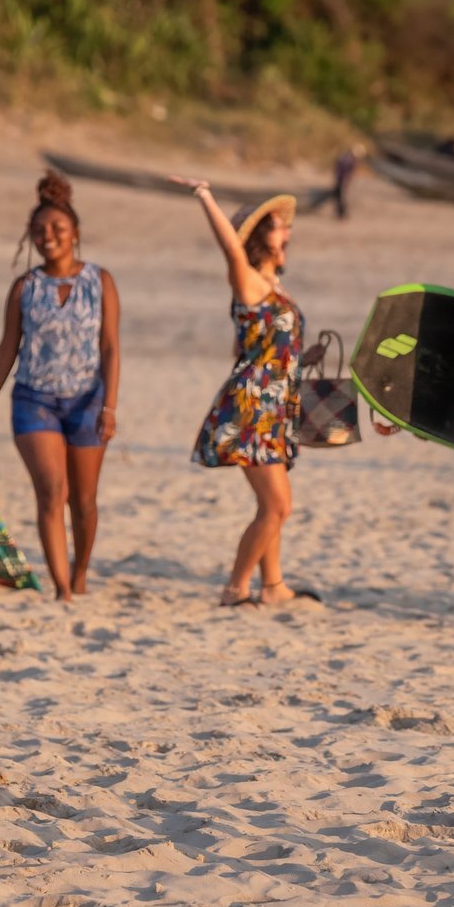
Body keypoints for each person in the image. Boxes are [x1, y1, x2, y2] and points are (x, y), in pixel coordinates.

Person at [0, 171, 120, 601]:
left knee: (83, 502)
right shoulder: (24, 287)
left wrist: (110, 406)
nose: (48, 236)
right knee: (52, 490)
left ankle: (80, 572)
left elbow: (110, 347)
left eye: (57, 229)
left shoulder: (100, 282)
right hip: (34, 400)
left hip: (88, 401)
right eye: (39, 230)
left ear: (75, 234)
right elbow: (7, 349)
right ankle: (63, 589)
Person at [171, 176, 324, 607]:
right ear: (259, 237)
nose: (287, 233)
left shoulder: (275, 289)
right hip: (252, 407)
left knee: (269, 505)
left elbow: (254, 346)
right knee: (278, 506)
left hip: (274, 406)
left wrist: (299, 357)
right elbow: (229, 249)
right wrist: (206, 196)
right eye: (278, 226)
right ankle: (235, 588)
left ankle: (273, 585)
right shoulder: (250, 281)